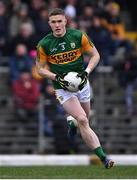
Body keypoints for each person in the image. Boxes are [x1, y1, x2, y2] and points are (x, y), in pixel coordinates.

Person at [36, 8, 114, 168]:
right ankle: (104, 158)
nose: (57, 25)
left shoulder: (78, 36)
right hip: (62, 88)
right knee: (83, 120)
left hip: (82, 83)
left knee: (84, 119)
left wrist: (86, 72)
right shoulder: (44, 44)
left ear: (65, 21)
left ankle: (72, 122)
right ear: (49, 23)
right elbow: (40, 69)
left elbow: (95, 55)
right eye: (53, 22)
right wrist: (56, 77)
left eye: (59, 21)